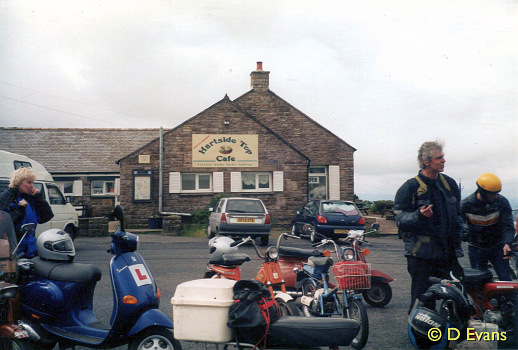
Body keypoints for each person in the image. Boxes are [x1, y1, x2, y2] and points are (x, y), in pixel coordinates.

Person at [394, 140, 464, 312]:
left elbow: (458, 215)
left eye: (443, 157)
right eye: (439, 158)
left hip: (448, 252)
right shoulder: (410, 187)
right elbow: (400, 219)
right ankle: (420, 336)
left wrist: (464, 231)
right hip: (422, 254)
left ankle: (458, 333)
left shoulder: (450, 184)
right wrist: (419, 216)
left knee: (459, 292)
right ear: (426, 161)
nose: (443, 161)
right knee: (423, 298)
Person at [460, 173, 515, 281]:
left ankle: (510, 298)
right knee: (478, 282)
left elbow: (507, 225)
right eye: (492, 194)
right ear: (483, 192)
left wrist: (507, 243)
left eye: (497, 193)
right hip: (476, 248)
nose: (495, 196)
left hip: (498, 247)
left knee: (505, 280)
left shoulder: (501, 202)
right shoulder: (465, 205)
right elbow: (458, 224)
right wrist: (463, 234)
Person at [0, 167, 53, 258]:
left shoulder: (31, 198)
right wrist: (20, 209)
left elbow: (46, 217)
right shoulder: (7, 197)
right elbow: (4, 224)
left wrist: (38, 197)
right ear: (18, 182)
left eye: (32, 182)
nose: (32, 186)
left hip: (30, 249)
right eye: (28, 182)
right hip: (13, 249)